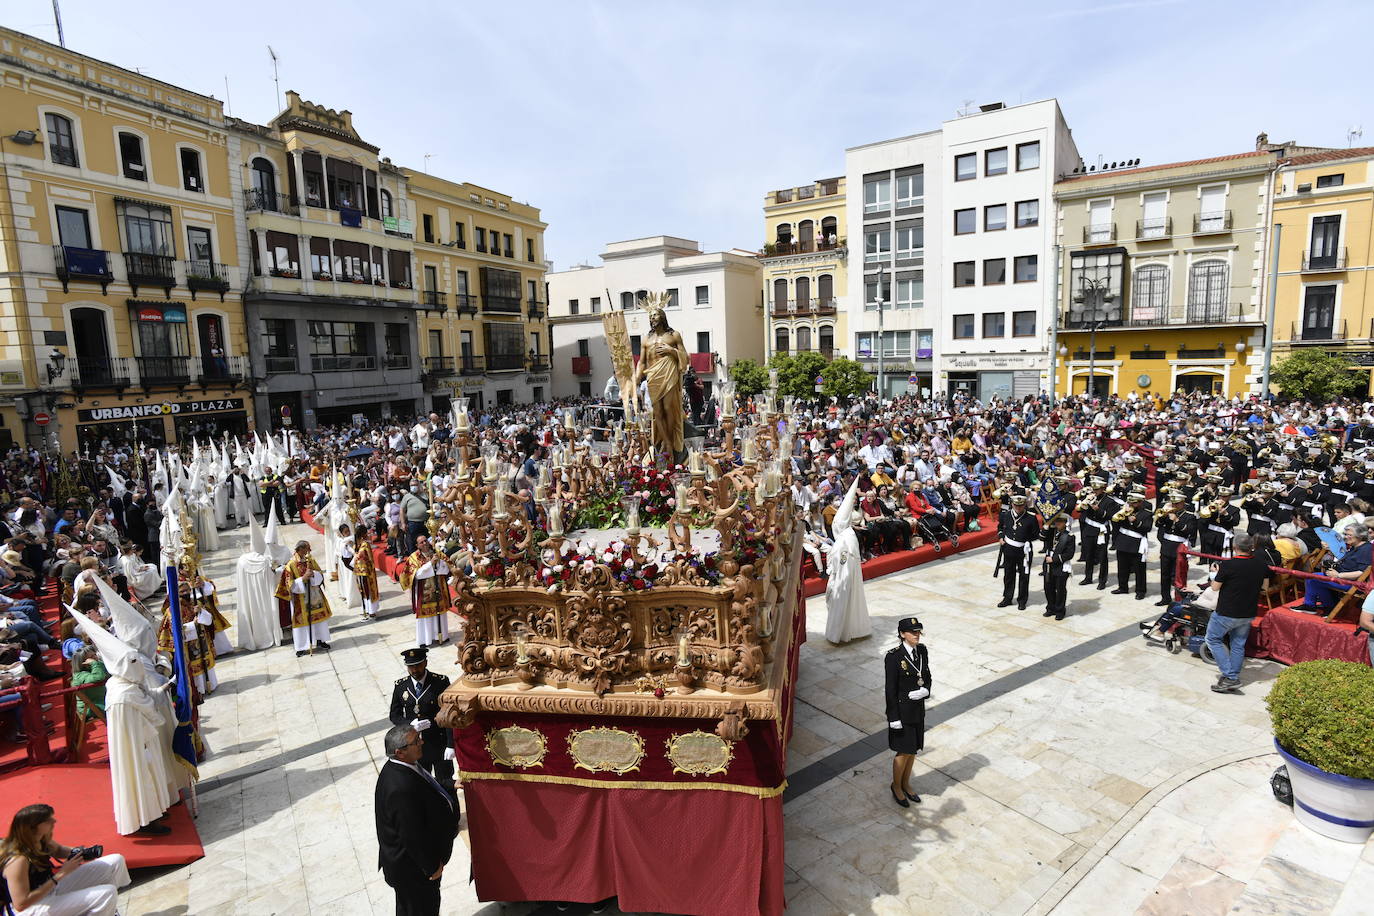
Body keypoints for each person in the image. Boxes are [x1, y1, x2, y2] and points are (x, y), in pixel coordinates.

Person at [374, 724, 459, 916]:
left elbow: (427, 784)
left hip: (414, 868)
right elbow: (412, 835)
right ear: (400, 752)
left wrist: (450, 784)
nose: (422, 742)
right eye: (416, 741)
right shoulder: (400, 788)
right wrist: (431, 867)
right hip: (414, 870)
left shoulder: (405, 766)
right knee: (421, 909)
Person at [1, 803, 131, 916]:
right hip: (30, 909)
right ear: (34, 826)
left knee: (115, 862)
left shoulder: (40, 839)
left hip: (50, 889)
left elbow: (58, 850)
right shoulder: (18, 860)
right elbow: (21, 904)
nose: (54, 821)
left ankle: (107, 910)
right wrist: (61, 874)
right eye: (48, 820)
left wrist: (83, 852)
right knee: (106, 893)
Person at [1203, 533, 1268, 693]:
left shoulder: (1228, 565)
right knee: (1238, 644)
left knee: (1212, 639)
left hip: (1227, 612)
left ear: (1235, 547)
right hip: (1248, 611)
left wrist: (1214, 574)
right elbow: (1264, 588)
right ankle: (1232, 675)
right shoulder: (1261, 564)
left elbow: (1214, 587)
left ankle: (1231, 676)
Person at [388, 647, 454, 791]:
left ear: (425, 663)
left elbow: (449, 714)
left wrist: (451, 744)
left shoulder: (440, 682)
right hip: (415, 746)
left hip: (439, 743)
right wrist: (409, 724)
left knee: (447, 782)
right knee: (421, 785)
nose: (414, 670)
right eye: (410, 666)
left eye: (418, 665)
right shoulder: (401, 686)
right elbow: (394, 715)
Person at [631, 300, 690, 462]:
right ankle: (666, 443)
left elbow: (685, 356)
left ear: (662, 317)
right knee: (657, 412)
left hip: (669, 375)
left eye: (655, 315)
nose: (652, 318)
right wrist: (636, 379)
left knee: (669, 409)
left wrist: (672, 351)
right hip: (653, 377)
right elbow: (642, 362)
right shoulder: (646, 339)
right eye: (650, 316)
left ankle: (671, 444)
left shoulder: (673, 335)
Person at [884, 617, 930, 808]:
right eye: (912, 632)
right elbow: (890, 689)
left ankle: (906, 783)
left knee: (912, 750)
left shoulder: (922, 651)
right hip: (902, 713)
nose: (916, 635)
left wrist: (926, 690)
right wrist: (893, 717)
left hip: (917, 710)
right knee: (903, 751)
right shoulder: (893, 657)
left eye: (918, 631)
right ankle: (896, 786)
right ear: (902, 634)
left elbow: (927, 675)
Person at [823, 479, 871, 644]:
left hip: (843, 580)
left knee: (842, 605)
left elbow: (842, 563)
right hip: (845, 575)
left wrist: (835, 577)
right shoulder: (848, 535)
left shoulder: (845, 540)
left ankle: (839, 634)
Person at [1294, 522, 1372, 614]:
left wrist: (1338, 575)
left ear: (1360, 536)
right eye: (1345, 534)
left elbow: (1361, 572)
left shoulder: (1366, 549)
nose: (1346, 537)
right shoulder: (1355, 547)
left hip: (1353, 583)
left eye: (1349, 535)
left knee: (1313, 578)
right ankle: (1326, 606)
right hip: (1344, 578)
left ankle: (1316, 606)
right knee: (1313, 577)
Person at [274, 540, 333, 656]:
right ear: (300, 549)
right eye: (307, 548)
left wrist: (314, 575)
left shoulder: (310, 560)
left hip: (315, 596)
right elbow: (289, 585)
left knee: (319, 620)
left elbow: (320, 574)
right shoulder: (291, 565)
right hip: (300, 600)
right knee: (302, 623)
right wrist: (303, 579)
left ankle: (321, 640)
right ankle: (301, 647)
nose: (309, 550)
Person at [397, 536, 453, 647]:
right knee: (426, 617)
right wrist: (430, 564)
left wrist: (439, 563)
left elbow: (447, 568)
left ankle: (441, 636)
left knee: (440, 614)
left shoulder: (437, 553)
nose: (424, 543)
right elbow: (417, 575)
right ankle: (426, 639)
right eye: (421, 542)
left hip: (438, 590)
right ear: (417, 545)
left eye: (425, 541)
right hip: (424, 593)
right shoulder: (414, 557)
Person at [997, 494, 1039, 610]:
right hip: (1009, 549)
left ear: (1024, 505)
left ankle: (1022, 600)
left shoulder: (1031, 518)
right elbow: (1000, 528)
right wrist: (1001, 537)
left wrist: (1026, 540)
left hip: (1024, 551)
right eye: (1016, 505)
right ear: (1012, 504)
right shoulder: (1005, 515)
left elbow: (1035, 534)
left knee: (1024, 576)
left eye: (1021, 506)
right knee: (1008, 575)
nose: (1018, 508)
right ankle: (1007, 598)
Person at [1042, 514, 1074, 620]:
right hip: (1048, 564)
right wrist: (1046, 525)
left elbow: (1069, 554)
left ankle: (1060, 610)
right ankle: (1051, 608)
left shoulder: (1069, 536)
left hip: (1061, 565)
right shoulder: (1051, 532)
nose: (1058, 523)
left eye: (1061, 521)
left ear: (1065, 523)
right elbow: (1041, 537)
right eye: (1056, 521)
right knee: (1048, 587)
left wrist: (1054, 559)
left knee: (1060, 589)